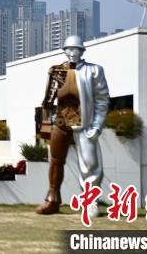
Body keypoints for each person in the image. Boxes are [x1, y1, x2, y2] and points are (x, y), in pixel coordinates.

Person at [36, 35, 110, 216]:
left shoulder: (94, 70)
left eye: (76, 49)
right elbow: (48, 100)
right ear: (64, 51)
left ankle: (90, 201)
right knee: (55, 160)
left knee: (90, 164)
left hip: (84, 123)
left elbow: (102, 100)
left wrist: (97, 126)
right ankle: (53, 199)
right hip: (61, 122)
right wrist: (46, 124)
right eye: (69, 49)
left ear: (82, 51)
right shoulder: (57, 71)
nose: (72, 52)